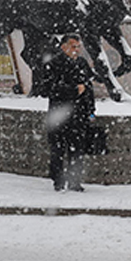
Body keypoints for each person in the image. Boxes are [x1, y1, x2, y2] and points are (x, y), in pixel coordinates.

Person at [43, 34, 100, 192]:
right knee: (58, 149)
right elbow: (49, 89)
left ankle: (75, 182)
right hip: (60, 114)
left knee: (77, 149)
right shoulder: (54, 63)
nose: (76, 50)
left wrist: (91, 111)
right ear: (64, 47)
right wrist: (74, 90)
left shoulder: (82, 63)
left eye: (78, 47)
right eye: (73, 46)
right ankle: (58, 181)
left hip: (79, 114)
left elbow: (88, 89)